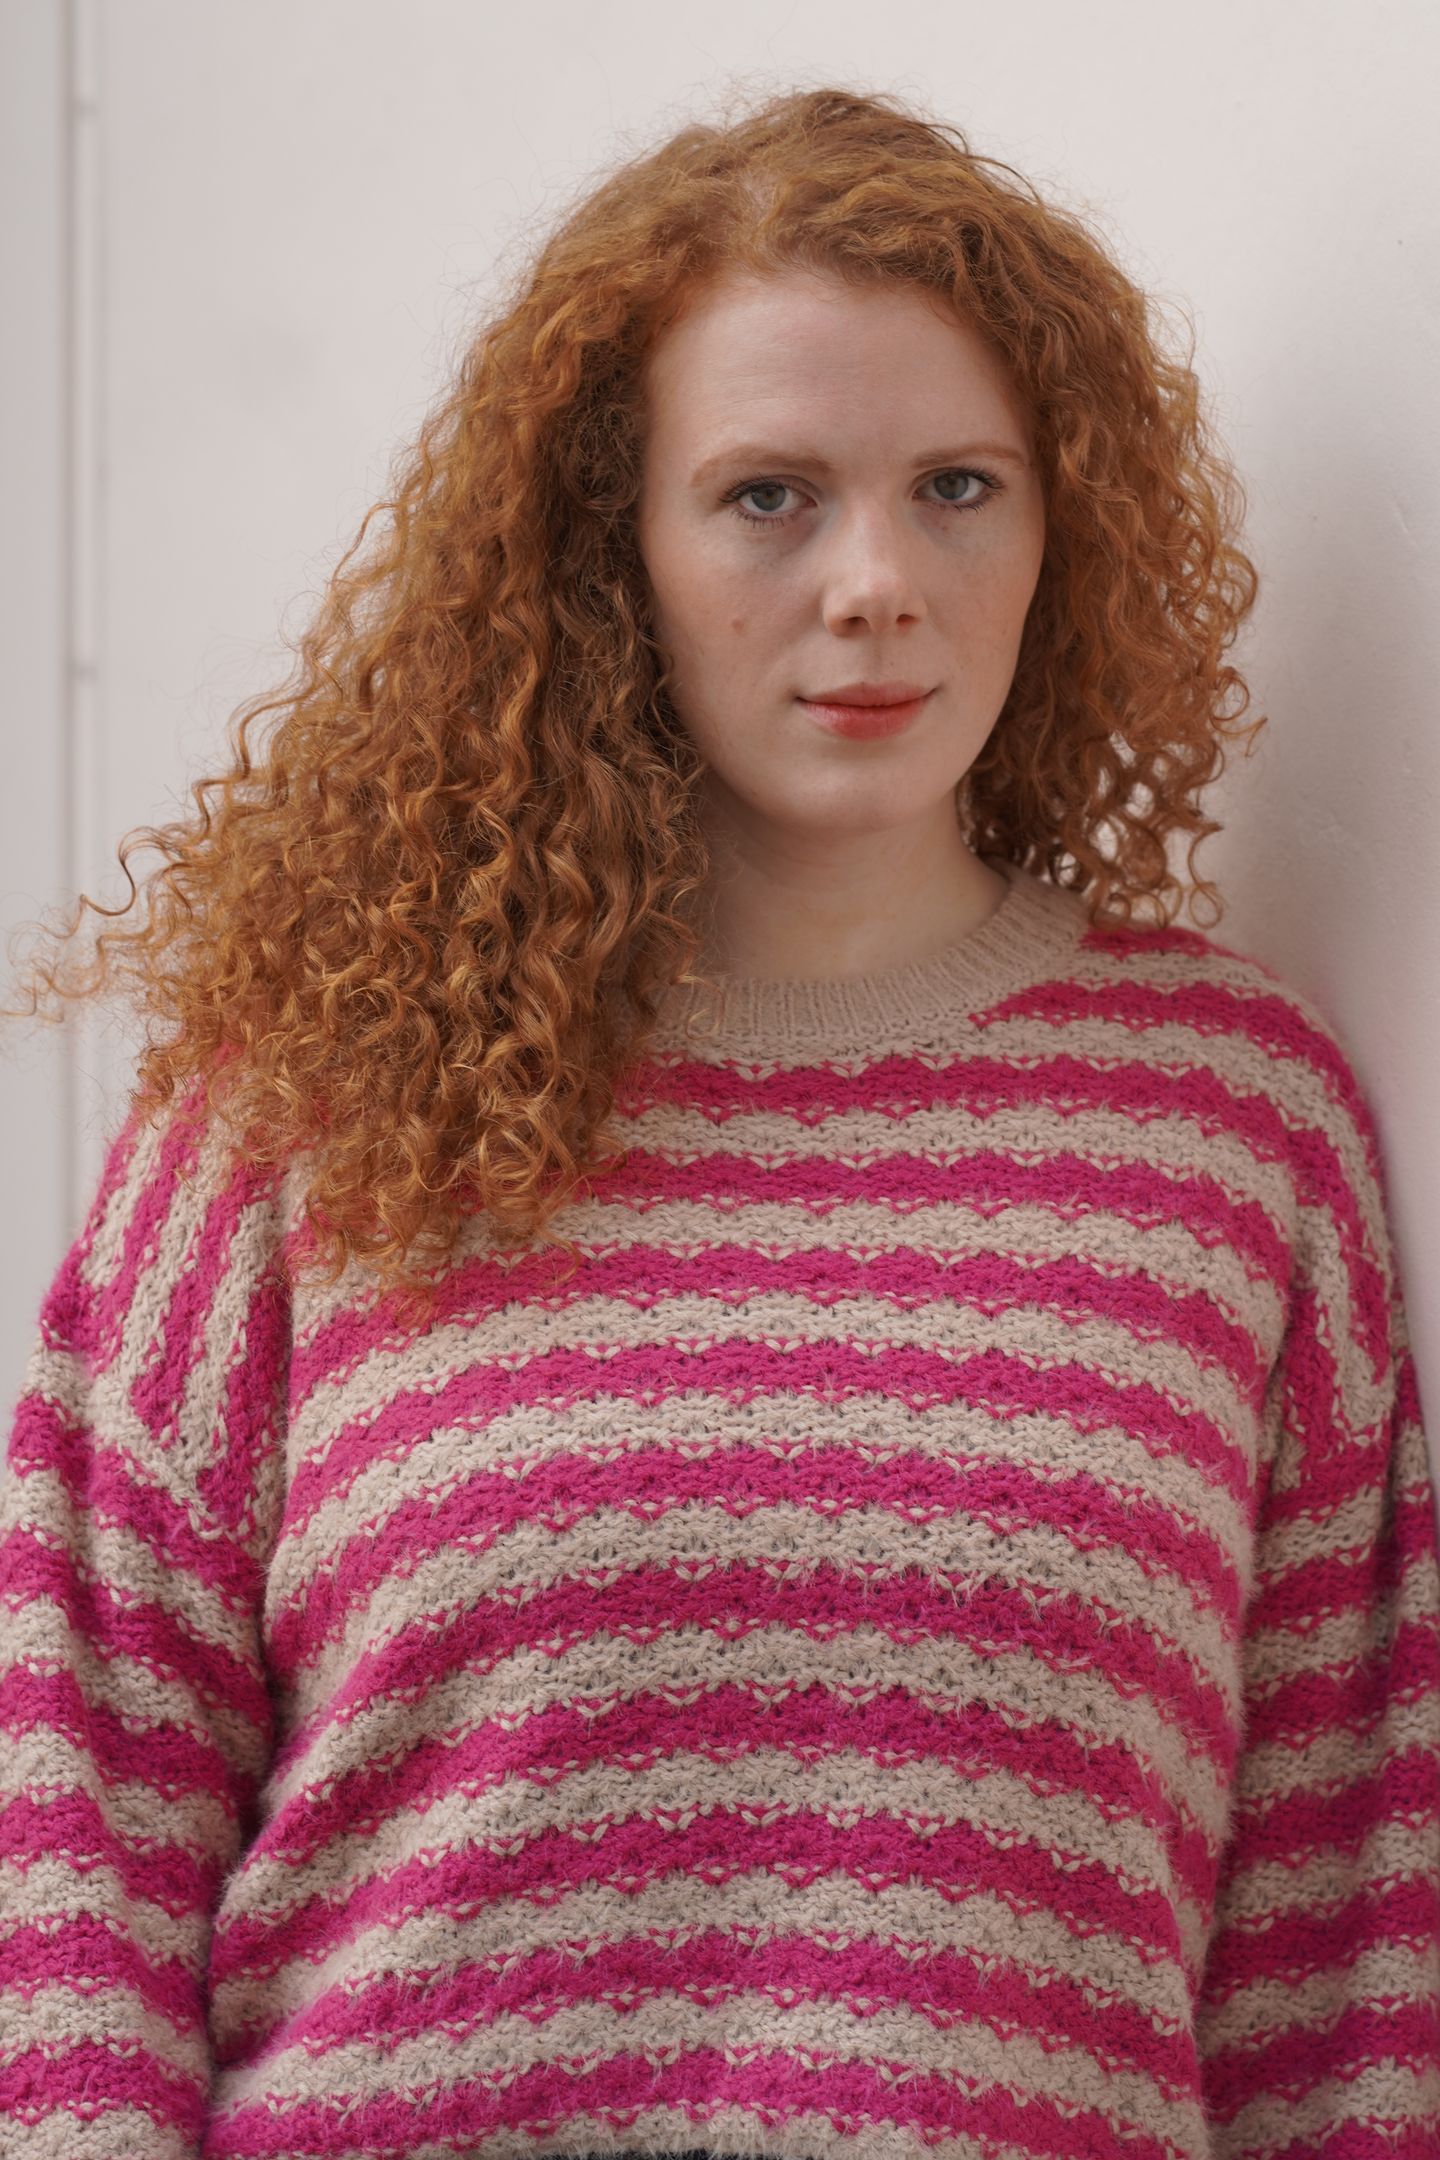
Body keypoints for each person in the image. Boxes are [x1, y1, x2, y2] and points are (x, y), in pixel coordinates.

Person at [1, 80, 1437, 2160]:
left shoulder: (1232, 1123)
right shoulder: (302, 1108)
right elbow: (73, 1826)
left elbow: (1342, 1944)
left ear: (1061, 527)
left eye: (959, 487)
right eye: (769, 495)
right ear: (618, 552)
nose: (876, 580)